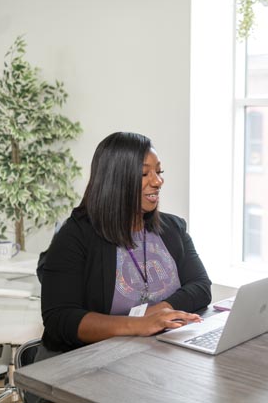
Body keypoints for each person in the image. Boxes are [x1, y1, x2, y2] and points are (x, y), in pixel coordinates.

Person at [40, 132, 212, 353]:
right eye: (144, 173)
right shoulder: (75, 236)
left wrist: (159, 312)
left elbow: (200, 286)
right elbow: (60, 318)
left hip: (152, 354)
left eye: (159, 172)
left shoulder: (172, 228)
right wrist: (138, 325)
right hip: (87, 361)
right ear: (116, 180)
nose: (158, 181)